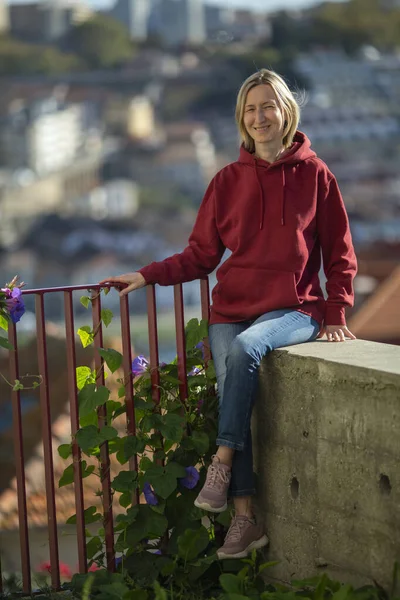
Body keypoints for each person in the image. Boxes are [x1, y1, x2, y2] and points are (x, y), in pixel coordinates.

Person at [99, 68, 357, 560]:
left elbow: (340, 252)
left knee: (245, 351)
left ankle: (219, 462)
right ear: (242, 119)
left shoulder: (317, 176)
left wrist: (337, 309)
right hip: (230, 309)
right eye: (250, 109)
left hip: (295, 309)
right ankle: (244, 519)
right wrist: (146, 275)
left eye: (268, 106)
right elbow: (200, 255)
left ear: (285, 112)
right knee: (232, 387)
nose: (260, 117)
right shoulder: (226, 181)